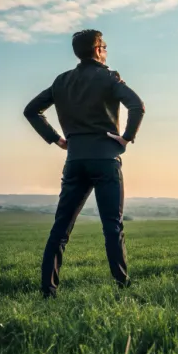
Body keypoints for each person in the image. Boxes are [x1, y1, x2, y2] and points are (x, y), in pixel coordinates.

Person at [23, 29, 145, 298]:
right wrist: (126, 138)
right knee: (112, 226)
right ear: (99, 50)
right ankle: (122, 286)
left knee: (61, 228)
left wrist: (57, 139)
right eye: (105, 47)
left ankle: (48, 291)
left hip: (75, 160)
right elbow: (137, 105)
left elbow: (31, 110)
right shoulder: (109, 78)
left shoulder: (62, 81)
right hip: (105, 161)